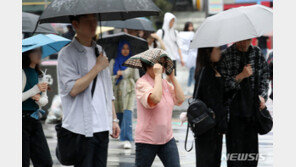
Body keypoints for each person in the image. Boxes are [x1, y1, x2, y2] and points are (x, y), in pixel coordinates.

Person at [57, 14, 120, 167]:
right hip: (81, 128)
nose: (93, 25)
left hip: (102, 127)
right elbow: (73, 89)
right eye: (88, 22)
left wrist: (113, 119)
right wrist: (97, 67)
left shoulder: (99, 50)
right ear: (75, 25)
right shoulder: (66, 54)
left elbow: (107, 88)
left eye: (95, 21)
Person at [217, 39, 270, 167]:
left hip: (252, 111)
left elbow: (265, 75)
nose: (244, 43)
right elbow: (222, 86)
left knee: (252, 157)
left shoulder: (256, 53)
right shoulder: (226, 55)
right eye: (241, 41)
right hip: (233, 115)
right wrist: (240, 76)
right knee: (235, 158)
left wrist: (262, 97)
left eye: (246, 40)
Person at [134, 49, 185, 167]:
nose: (162, 66)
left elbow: (180, 99)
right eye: (159, 63)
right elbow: (155, 98)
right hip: (147, 140)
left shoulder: (165, 83)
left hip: (167, 138)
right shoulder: (141, 83)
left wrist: (172, 78)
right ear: (149, 65)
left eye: (163, 63)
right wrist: (157, 75)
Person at [193, 47, 227, 167]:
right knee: (207, 161)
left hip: (215, 127)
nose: (220, 53)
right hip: (207, 127)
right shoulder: (205, 71)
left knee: (214, 160)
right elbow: (210, 100)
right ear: (208, 52)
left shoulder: (214, 69)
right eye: (217, 50)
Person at [22, 48, 53, 167]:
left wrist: (38, 98)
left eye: (41, 51)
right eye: (36, 52)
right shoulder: (21, 72)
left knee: (45, 162)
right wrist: (35, 90)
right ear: (27, 54)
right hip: (21, 121)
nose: (39, 54)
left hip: (35, 120)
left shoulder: (40, 74)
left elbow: (44, 100)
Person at [109, 40, 140, 149]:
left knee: (127, 112)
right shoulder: (114, 61)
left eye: (127, 48)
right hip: (117, 90)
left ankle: (127, 138)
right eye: (123, 48)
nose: (125, 51)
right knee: (119, 113)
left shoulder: (133, 61)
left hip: (129, 91)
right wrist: (116, 76)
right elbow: (108, 78)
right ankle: (119, 133)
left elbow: (137, 78)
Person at [178, 21, 197, 95]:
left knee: (193, 72)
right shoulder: (182, 35)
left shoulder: (193, 35)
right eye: (189, 26)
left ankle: (191, 87)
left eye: (191, 26)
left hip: (193, 56)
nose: (191, 28)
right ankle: (191, 87)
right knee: (192, 72)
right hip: (188, 55)